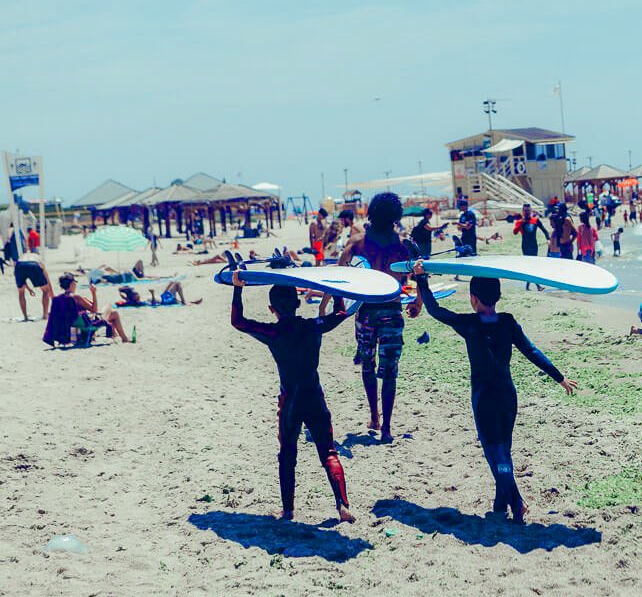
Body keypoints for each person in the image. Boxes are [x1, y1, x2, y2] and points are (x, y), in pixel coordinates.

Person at [412, 262, 577, 523]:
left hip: (484, 397)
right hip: (508, 395)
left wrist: (422, 280)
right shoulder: (508, 322)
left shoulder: (468, 324)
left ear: (473, 298)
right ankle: (501, 503)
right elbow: (531, 350)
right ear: (498, 297)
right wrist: (559, 377)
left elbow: (435, 310)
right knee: (504, 449)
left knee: (494, 452)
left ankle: (517, 501)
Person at [229, 272, 355, 523]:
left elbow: (238, 322)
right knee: (329, 452)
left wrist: (237, 289)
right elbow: (340, 314)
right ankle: (343, 507)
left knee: (287, 453)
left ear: (271, 309)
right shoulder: (313, 327)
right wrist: (336, 290)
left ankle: (288, 511)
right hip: (314, 396)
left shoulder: (273, 333)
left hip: (290, 401)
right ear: (298, 304)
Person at [339, 192, 421, 443]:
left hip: (365, 311)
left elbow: (339, 273)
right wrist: (417, 302)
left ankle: (374, 415)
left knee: (367, 365)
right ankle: (386, 427)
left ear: (371, 213)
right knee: (390, 371)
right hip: (392, 311)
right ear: (397, 216)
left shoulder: (357, 242)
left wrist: (339, 304)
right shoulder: (404, 245)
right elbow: (420, 274)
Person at [43, 273, 130, 344]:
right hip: (85, 326)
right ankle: (124, 338)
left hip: (69, 328)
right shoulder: (75, 297)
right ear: (72, 284)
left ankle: (115, 334)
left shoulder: (57, 299)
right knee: (112, 311)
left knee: (111, 312)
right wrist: (93, 293)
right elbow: (94, 310)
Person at [512, 204, 549, 291]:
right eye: (525, 211)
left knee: (533, 264)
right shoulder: (520, 222)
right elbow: (515, 232)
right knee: (530, 265)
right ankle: (537, 286)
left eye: (528, 210)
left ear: (531, 211)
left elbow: (544, 230)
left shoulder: (535, 220)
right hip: (525, 246)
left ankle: (529, 286)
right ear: (523, 212)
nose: (527, 212)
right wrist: (521, 223)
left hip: (534, 246)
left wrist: (548, 239)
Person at [15, 250, 51, 321]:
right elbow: (45, 275)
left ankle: (25, 317)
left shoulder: (22, 256)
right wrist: (49, 289)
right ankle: (45, 315)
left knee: (21, 292)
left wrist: (29, 289)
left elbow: (22, 281)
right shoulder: (37, 257)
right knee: (45, 291)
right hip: (33, 265)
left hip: (19, 265)